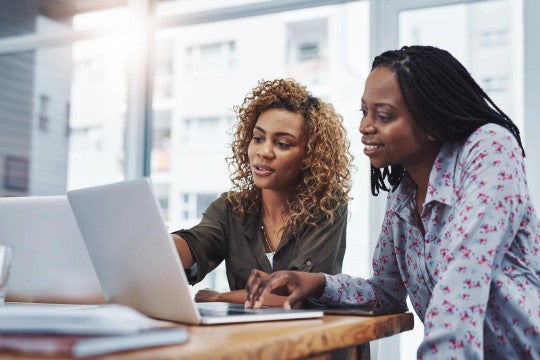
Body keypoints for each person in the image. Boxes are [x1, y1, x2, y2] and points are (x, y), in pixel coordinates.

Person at [245, 45, 540, 358]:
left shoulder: (489, 149)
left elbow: (464, 276)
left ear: (433, 123)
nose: (364, 127)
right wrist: (318, 283)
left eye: (383, 116)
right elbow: (387, 293)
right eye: (364, 112)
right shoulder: (402, 195)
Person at [171, 78, 354, 305]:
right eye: (258, 138)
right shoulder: (231, 208)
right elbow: (196, 244)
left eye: (282, 144)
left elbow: (296, 295)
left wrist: (221, 297)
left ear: (310, 157)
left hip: (311, 338)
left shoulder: (327, 206)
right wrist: (162, 244)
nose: (264, 151)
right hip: (253, 338)